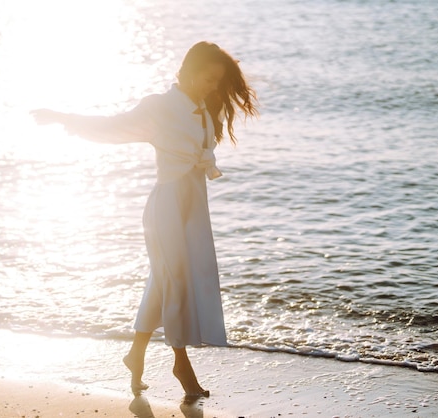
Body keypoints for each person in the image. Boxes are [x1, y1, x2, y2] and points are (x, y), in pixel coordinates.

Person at [32, 41, 258, 398]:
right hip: (166, 206)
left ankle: (134, 355)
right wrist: (65, 118)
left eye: (217, 82)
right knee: (174, 281)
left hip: (194, 208)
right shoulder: (159, 107)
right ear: (186, 70)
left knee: (165, 281)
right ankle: (182, 368)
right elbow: (113, 126)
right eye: (208, 79)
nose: (212, 87)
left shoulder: (202, 107)